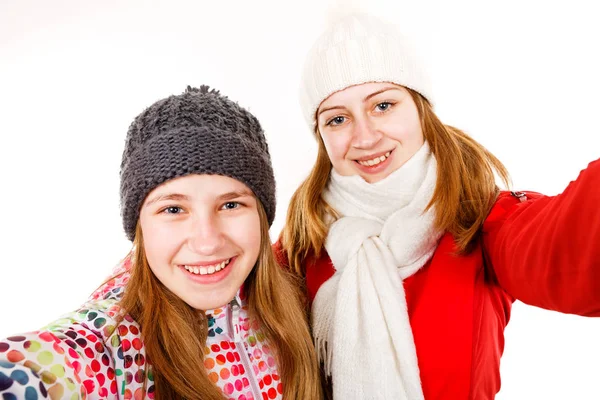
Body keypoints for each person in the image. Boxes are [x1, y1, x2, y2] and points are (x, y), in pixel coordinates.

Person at [278, 12, 600, 400]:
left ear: (421, 109)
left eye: (382, 106)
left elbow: (572, 250)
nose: (364, 136)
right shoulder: (297, 249)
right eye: (338, 119)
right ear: (322, 138)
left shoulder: (482, 221)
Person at [0, 85, 323, 400]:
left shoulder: (294, 292)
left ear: (262, 215)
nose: (207, 242)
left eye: (230, 205)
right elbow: (43, 365)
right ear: (140, 224)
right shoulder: (117, 338)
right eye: (173, 209)